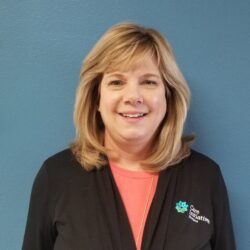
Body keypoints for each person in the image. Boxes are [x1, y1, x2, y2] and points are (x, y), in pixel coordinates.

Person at [22, 22, 236, 250]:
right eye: (116, 82)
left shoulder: (205, 178)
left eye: (149, 82)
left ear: (168, 96)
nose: (133, 96)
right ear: (96, 98)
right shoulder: (55, 177)